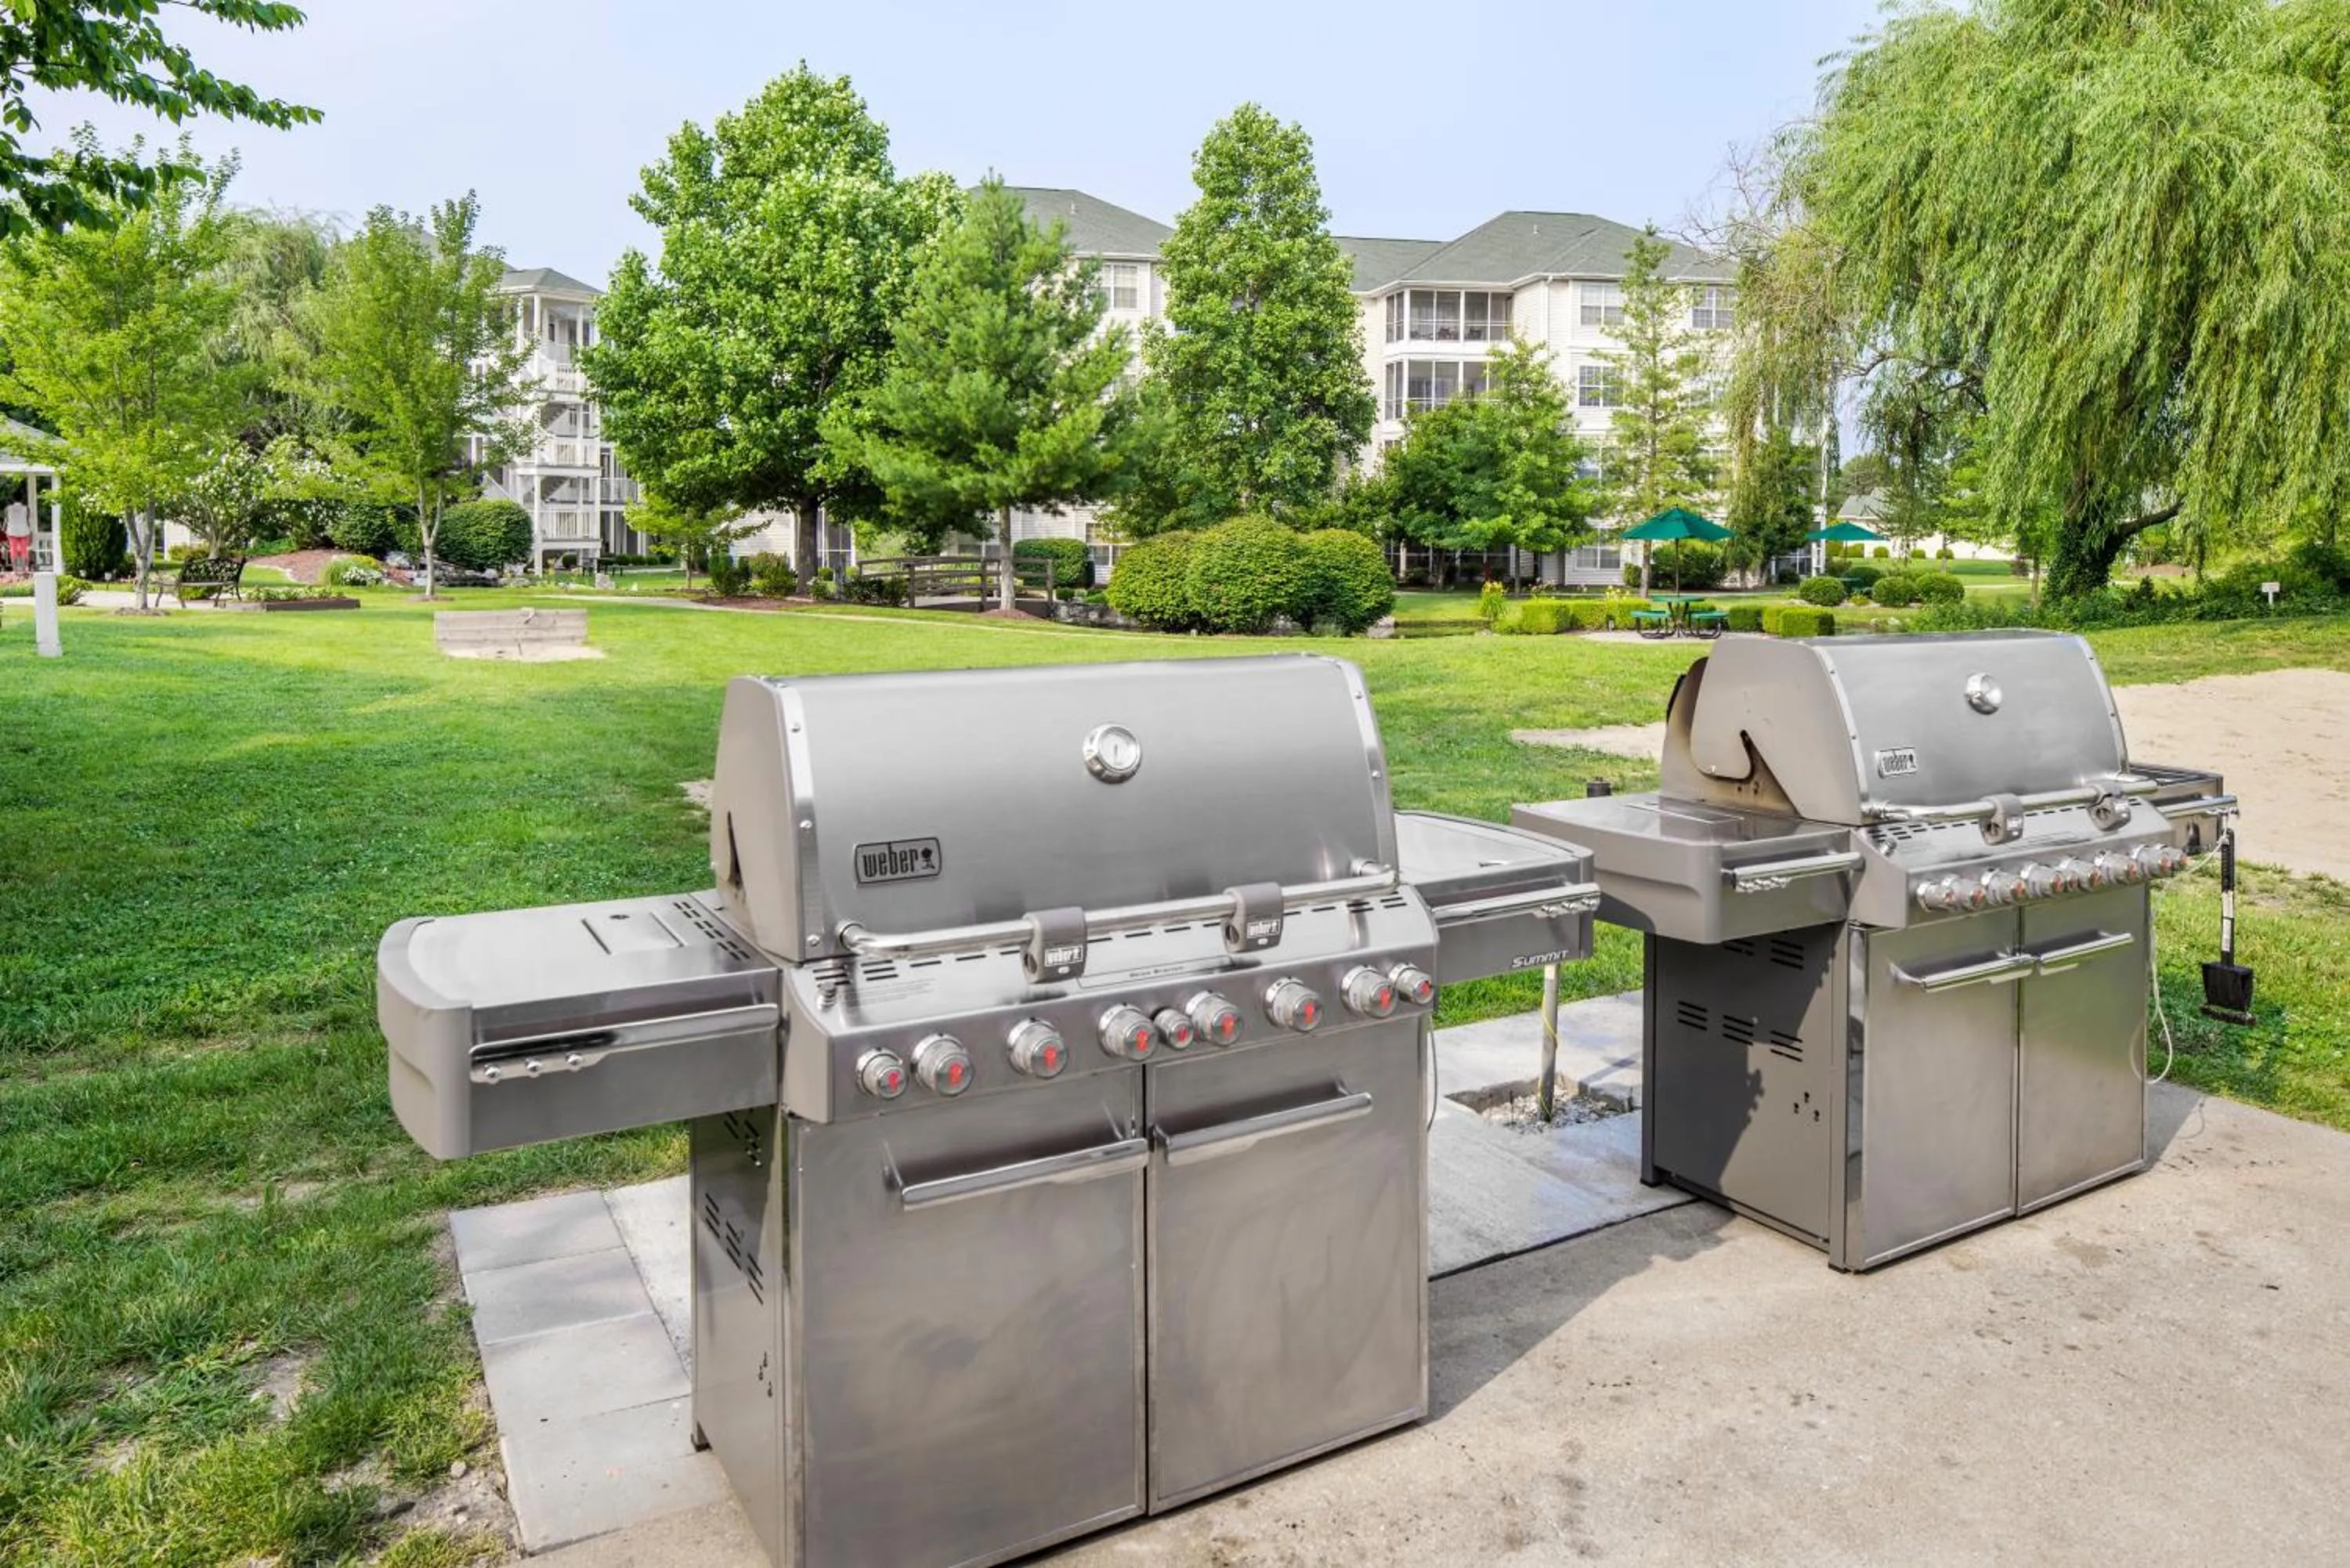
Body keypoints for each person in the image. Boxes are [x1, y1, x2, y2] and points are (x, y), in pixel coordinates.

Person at [3, 493, 29, 571]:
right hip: (24, 530)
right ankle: (24, 569)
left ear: (13, 499)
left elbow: (7, 520)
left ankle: (15, 570)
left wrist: (4, 528)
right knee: (24, 550)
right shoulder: (26, 508)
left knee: (13, 549)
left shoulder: (8, 508)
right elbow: (27, 520)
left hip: (12, 531)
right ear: (22, 499)